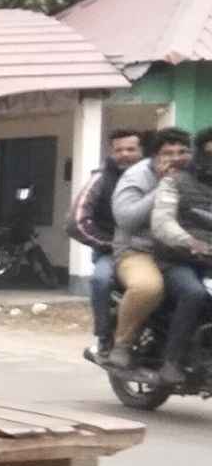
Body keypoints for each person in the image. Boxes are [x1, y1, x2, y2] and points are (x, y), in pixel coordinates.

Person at [107, 127, 200, 385]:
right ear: (153, 156)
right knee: (148, 287)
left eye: (182, 152)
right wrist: (162, 186)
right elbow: (126, 219)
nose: (175, 158)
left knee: (197, 292)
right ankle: (122, 345)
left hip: (182, 252)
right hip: (138, 250)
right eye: (167, 153)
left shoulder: (196, 175)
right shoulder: (137, 176)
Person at [71, 128, 146, 360]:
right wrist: (108, 244)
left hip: (154, 250)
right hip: (112, 252)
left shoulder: (156, 178)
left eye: (130, 149)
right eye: (118, 150)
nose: (124, 154)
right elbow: (76, 222)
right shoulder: (101, 179)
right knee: (101, 280)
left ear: (142, 151)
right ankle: (104, 338)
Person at [144, 126, 212, 380]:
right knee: (193, 294)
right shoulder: (175, 181)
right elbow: (162, 223)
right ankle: (171, 361)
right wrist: (190, 241)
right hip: (178, 259)